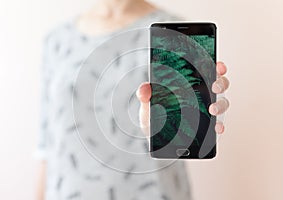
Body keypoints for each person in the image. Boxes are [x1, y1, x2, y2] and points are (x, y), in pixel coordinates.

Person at [36, 0, 230, 199]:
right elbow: (47, 145)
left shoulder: (172, 31)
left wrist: (188, 122)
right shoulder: (57, 40)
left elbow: (185, 134)